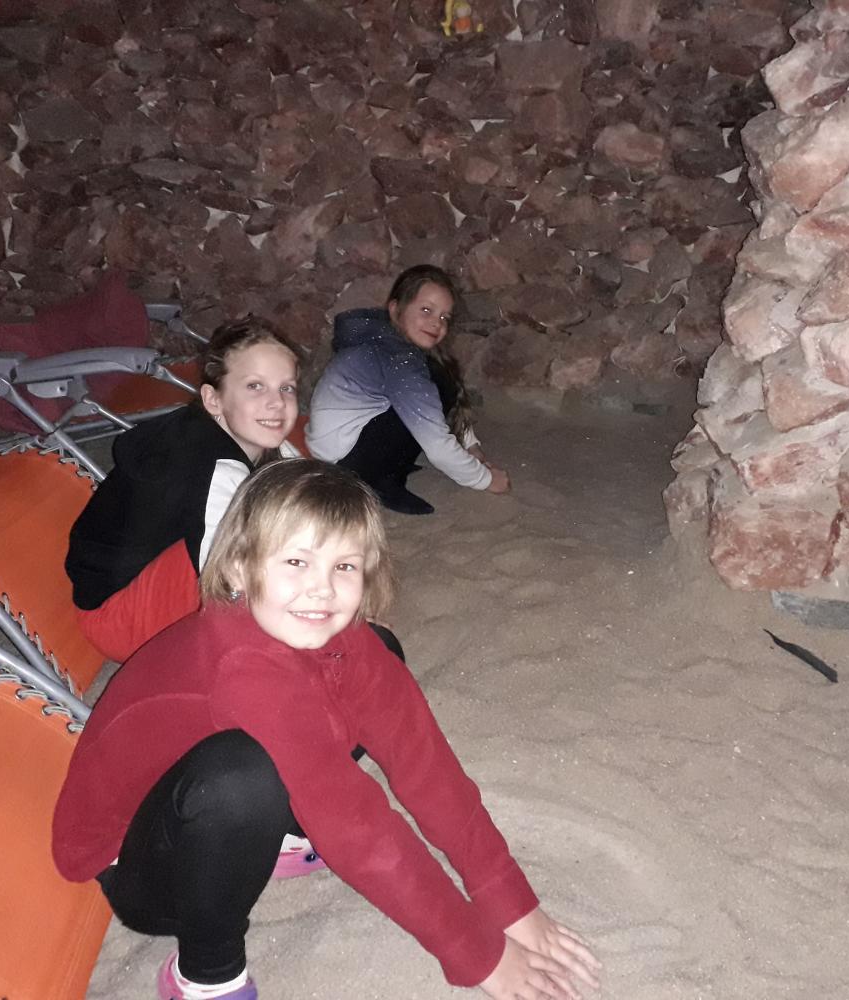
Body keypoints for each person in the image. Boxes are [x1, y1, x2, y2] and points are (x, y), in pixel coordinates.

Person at [51, 460, 601, 1000]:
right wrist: (482, 955)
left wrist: (509, 901)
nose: (323, 590)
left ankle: (277, 835)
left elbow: (427, 767)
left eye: (345, 566)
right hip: (144, 864)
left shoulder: (331, 631)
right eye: (296, 561)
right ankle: (204, 975)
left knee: (377, 654)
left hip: (218, 773)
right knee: (245, 777)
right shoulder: (243, 668)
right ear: (239, 568)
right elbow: (357, 828)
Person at [64, 319, 303, 665]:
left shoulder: (252, 437)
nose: (276, 403)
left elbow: (311, 493)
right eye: (255, 386)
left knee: (297, 517)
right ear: (213, 400)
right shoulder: (209, 466)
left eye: (287, 388)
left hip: (153, 583)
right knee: (264, 547)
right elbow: (228, 584)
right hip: (121, 619)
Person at [306, 264, 511, 515]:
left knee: (435, 383)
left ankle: (391, 466)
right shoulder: (399, 359)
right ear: (396, 309)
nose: (436, 323)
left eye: (444, 317)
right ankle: (380, 482)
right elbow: (437, 445)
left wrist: (471, 446)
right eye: (426, 310)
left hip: (332, 448)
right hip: (345, 466)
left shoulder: (383, 338)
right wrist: (487, 480)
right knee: (434, 387)